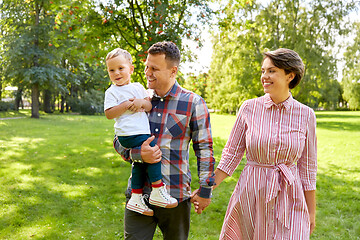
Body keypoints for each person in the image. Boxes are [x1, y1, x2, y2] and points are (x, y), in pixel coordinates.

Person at [112, 41, 215, 240]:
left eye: (155, 68)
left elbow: (204, 149)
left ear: (172, 71)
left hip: (175, 195)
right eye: (146, 66)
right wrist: (138, 154)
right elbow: (118, 140)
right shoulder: (138, 99)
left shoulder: (193, 103)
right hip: (138, 194)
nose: (147, 72)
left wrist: (205, 190)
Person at [213, 48, 317, 240]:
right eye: (263, 71)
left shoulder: (306, 115)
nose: (264, 76)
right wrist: (206, 188)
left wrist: (311, 212)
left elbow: (308, 168)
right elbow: (231, 155)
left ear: (290, 76)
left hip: (290, 196)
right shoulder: (249, 108)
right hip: (252, 193)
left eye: (271, 71)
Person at [104, 48, 178, 217]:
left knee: (139, 162)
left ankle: (136, 197)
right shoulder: (112, 92)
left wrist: (140, 102)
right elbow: (109, 114)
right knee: (153, 152)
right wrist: (124, 106)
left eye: (120, 68)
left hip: (139, 132)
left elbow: (149, 105)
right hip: (128, 134)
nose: (116, 73)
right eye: (111, 70)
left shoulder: (137, 87)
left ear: (131, 69)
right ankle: (158, 190)